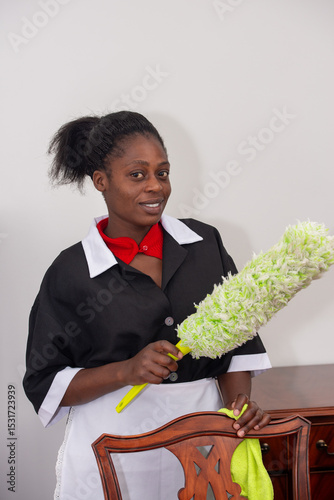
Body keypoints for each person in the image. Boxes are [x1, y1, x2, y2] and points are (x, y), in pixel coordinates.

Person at [23, 111, 272, 499]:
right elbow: (45, 381)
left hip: (203, 443)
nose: (155, 186)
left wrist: (239, 406)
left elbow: (237, 344)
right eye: (137, 175)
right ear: (101, 181)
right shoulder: (71, 271)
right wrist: (125, 370)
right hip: (112, 449)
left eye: (163, 172)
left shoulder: (206, 245)